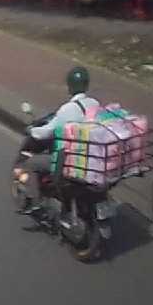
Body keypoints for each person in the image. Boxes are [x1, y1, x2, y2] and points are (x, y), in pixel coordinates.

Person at [15, 66, 101, 214]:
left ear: (69, 86)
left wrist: (31, 130)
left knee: (31, 164)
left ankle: (35, 202)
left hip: (72, 159)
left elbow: (47, 132)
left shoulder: (68, 109)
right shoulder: (95, 104)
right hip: (90, 156)